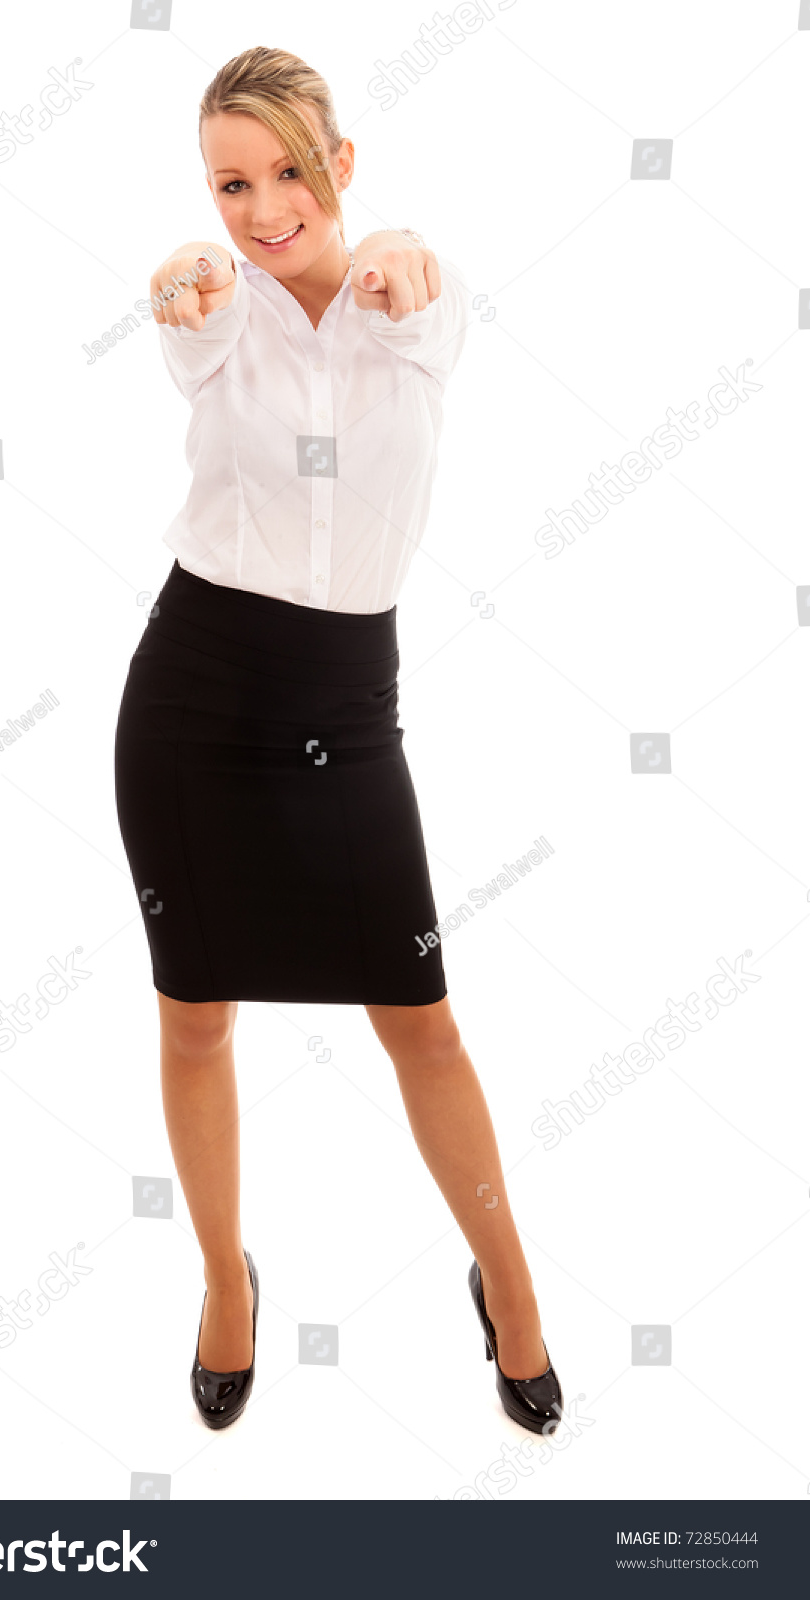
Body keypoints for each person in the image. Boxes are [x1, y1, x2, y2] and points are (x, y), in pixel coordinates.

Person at [114, 45, 563, 1436]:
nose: (259, 210)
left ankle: (513, 1292)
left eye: (286, 174)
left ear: (341, 167)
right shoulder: (213, 310)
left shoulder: (411, 310)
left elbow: (418, 278)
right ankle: (223, 1282)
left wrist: (408, 251)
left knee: (417, 1022)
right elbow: (188, 297)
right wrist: (192, 264)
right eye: (230, 182)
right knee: (195, 1019)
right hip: (192, 698)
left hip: (343, 717)